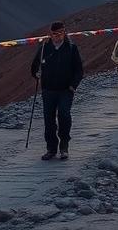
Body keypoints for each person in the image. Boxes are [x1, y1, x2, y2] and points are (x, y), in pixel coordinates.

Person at [30, 21, 83, 161]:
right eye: (54, 33)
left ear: (64, 33)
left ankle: (64, 146)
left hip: (66, 89)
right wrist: (37, 74)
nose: (57, 36)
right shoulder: (44, 49)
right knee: (49, 120)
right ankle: (51, 149)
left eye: (60, 33)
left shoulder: (71, 48)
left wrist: (73, 85)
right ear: (50, 34)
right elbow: (34, 66)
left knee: (64, 115)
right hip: (48, 90)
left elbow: (79, 70)